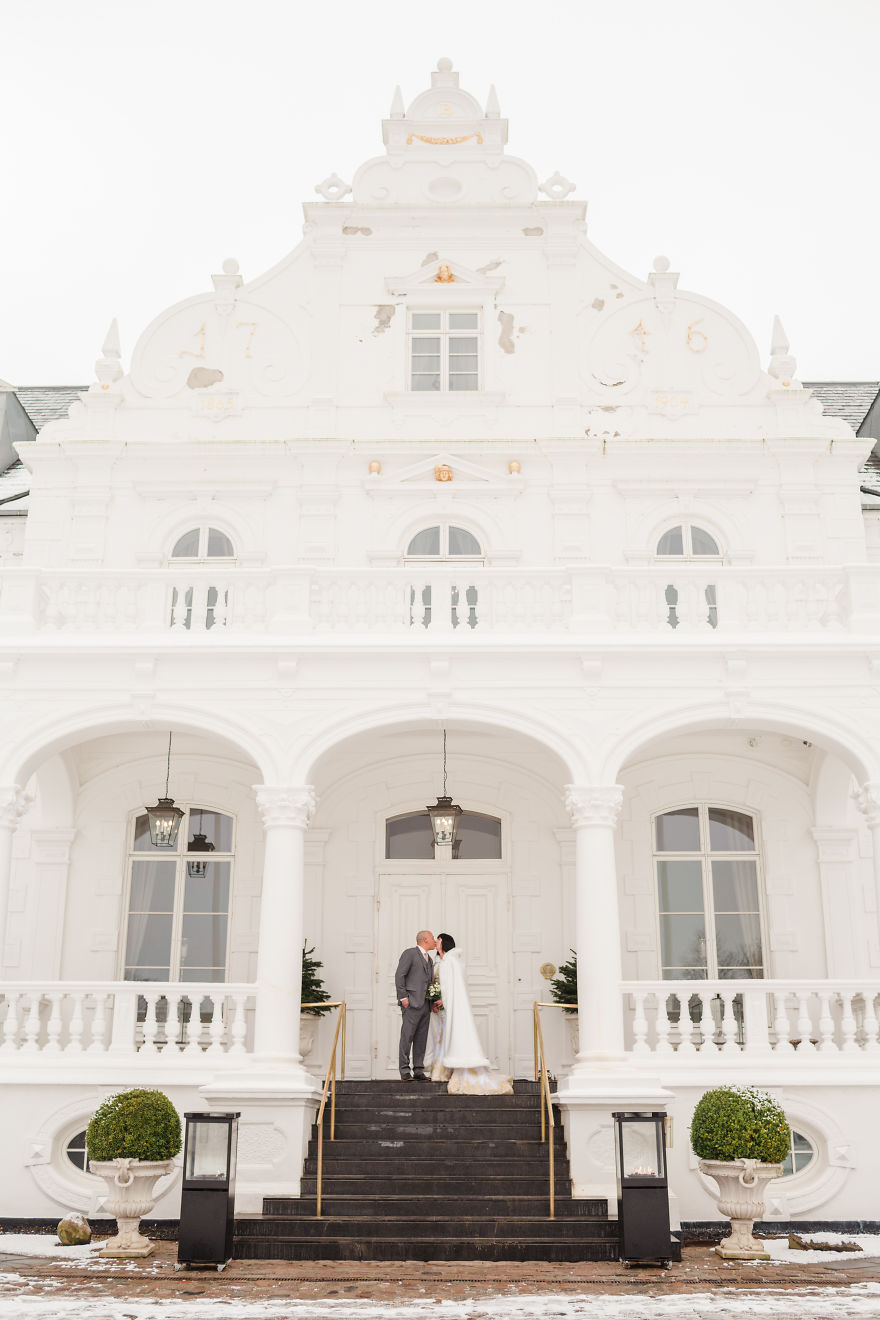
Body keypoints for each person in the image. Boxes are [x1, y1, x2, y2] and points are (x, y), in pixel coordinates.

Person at [431, 933, 513, 1095]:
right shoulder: (442, 961)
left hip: (448, 1006)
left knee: (447, 1036)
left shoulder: (451, 962)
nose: (436, 942)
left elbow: (453, 986)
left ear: (444, 943)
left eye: (438, 940)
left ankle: (446, 1071)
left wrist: (444, 1000)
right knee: (441, 1037)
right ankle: (441, 1071)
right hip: (442, 1007)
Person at [394, 929, 437, 1082]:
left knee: (421, 1038)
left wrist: (433, 1002)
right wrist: (403, 997)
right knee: (407, 1037)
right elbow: (399, 975)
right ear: (425, 940)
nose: (434, 941)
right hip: (411, 1003)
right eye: (432, 938)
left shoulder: (429, 959)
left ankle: (418, 1069)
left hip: (425, 1004)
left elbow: (429, 982)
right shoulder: (410, 953)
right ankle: (405, 1071)